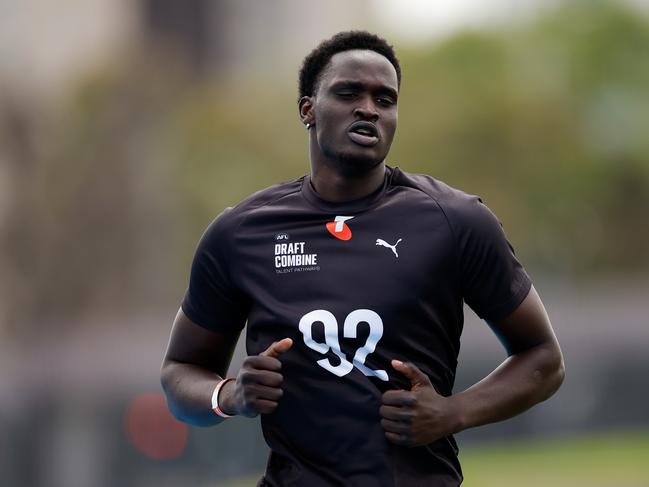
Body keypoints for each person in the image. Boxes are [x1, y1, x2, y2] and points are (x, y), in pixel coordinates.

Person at [161, 30, 565, 487]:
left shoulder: (456, 221)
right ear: (307, 109)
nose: (369, 108)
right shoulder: (241, 233)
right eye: (348, 92)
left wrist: (453, 412)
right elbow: (179, 375)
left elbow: (544, 359)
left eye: (385, 99)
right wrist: (229, 394)